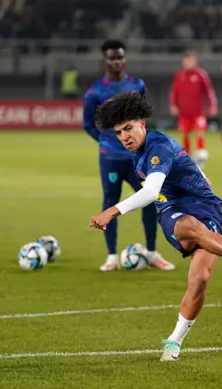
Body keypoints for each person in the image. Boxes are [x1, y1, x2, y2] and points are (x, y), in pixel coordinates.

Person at [89, 92, 222, 361]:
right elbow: (173, 175)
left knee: (200, 279)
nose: (124, 137)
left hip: (207, 207)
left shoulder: (157, 147)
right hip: (173, 211)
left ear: (142, 123)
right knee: (189, 225)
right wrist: (202, 176)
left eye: (128, 128)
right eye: (119, 132)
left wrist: (112, 210)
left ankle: (173, 342)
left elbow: (150, 190)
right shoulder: (142, 149)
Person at [83, 39, 175, 272]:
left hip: (137, 158)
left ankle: (152, 253)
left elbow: (142, 115)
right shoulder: (95, 92)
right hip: (110, 158)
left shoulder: (137, 84)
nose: (117, 61)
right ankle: (112, 257)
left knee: (149, 200)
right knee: (110, 203)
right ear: (105, 60)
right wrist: (106, 141)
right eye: (112, 57)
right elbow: (88, 124)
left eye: (120, 57)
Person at [169, 51, 217, 160]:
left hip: (198, 111)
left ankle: (201, 156)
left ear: (194, 62)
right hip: (184, 111)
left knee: (199, 132)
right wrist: (173, 105)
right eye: (185, 61)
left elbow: (209, 91)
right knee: (184, 133)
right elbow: (174, 92)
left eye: (189, 61)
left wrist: (212, 105)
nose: (187, 63)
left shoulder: (200, 74)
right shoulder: (179, 75)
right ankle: (187, 157)